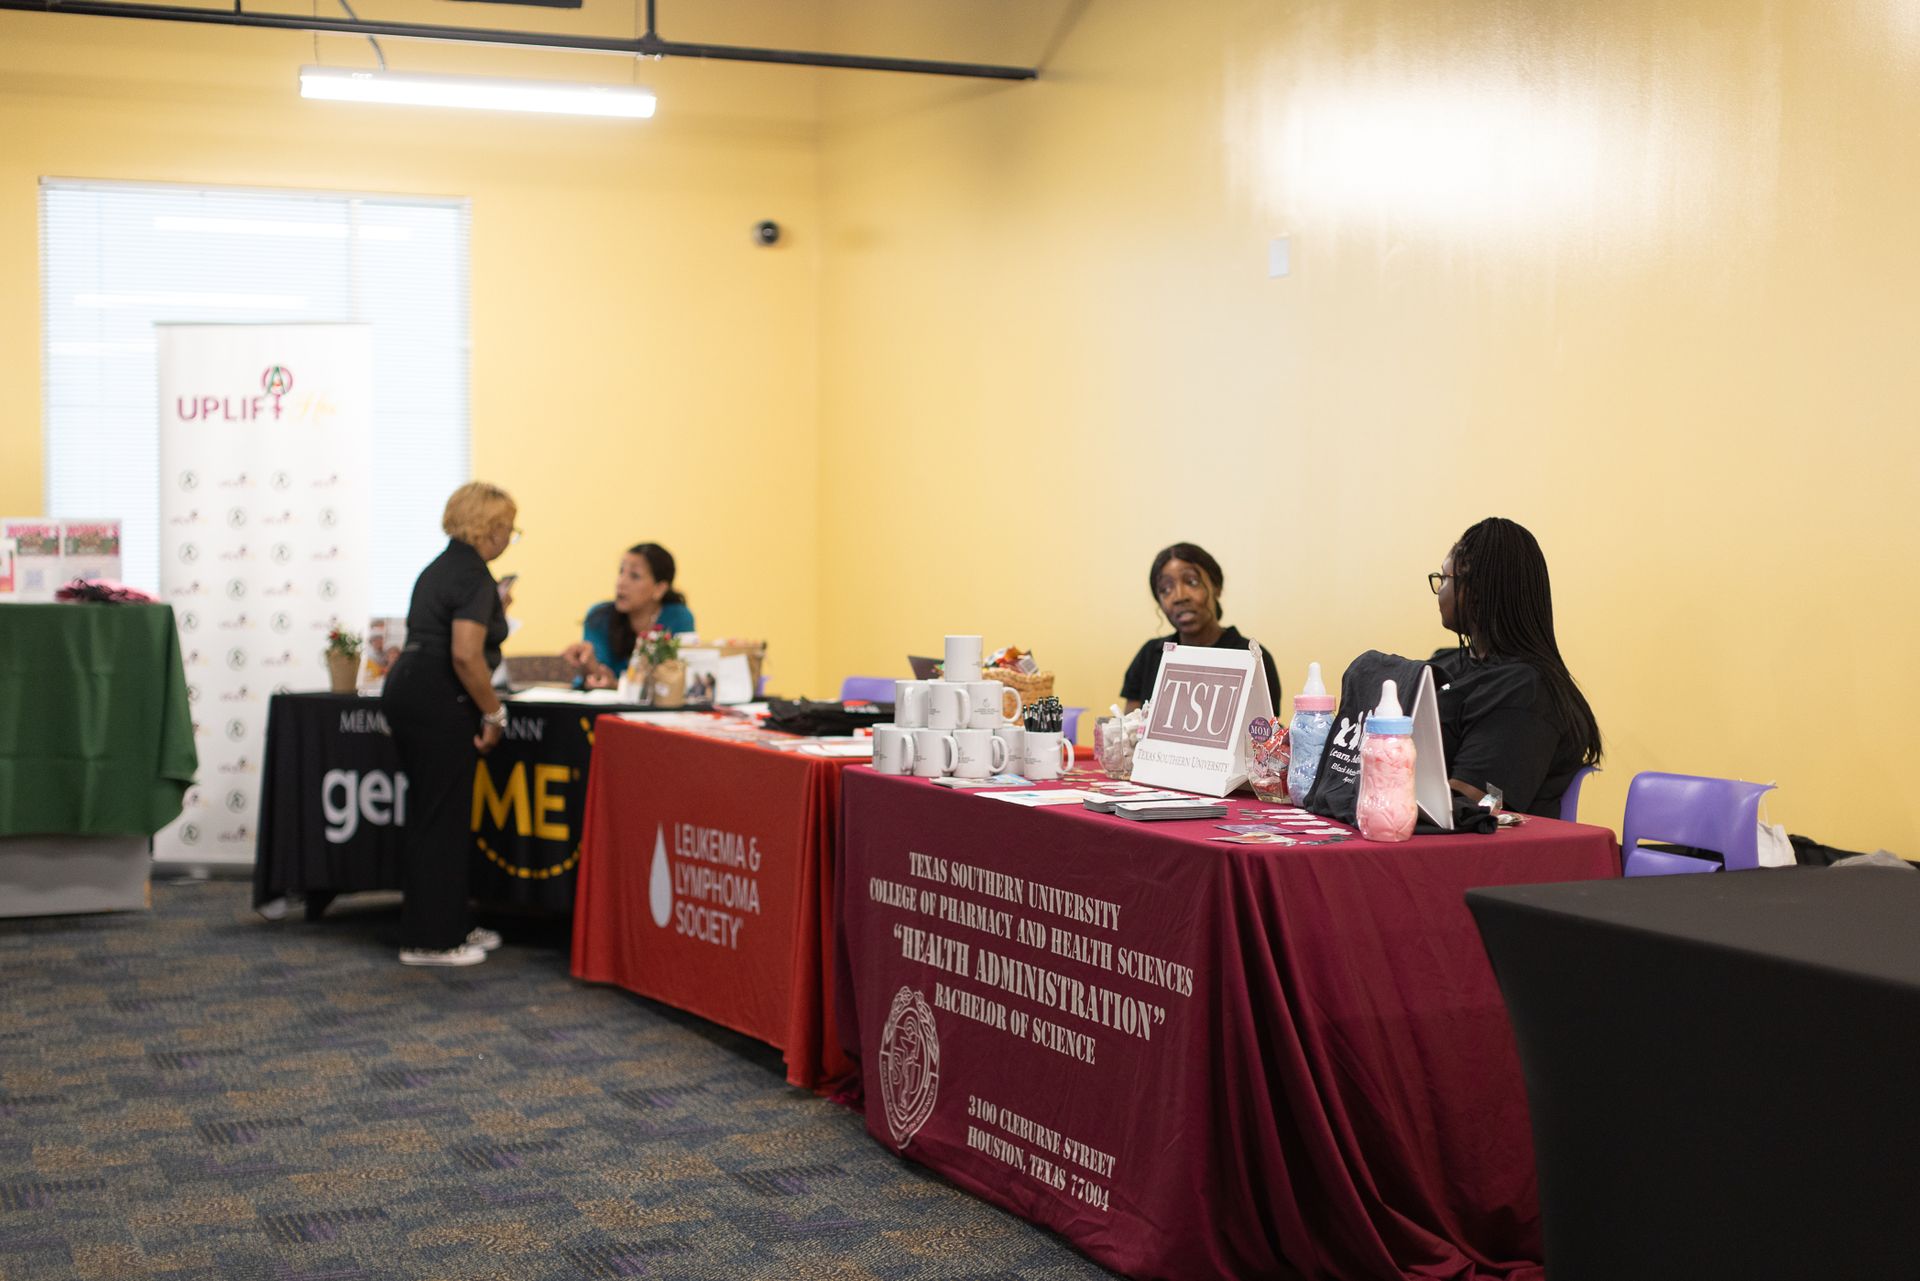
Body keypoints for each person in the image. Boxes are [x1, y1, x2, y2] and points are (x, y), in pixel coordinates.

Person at [382, 481, 516, 967]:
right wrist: (494, 711)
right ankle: (432, 940)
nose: (509, 537)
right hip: (439, 697)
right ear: (491, 527)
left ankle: (446, 922)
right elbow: (465, 654)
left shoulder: (441, 568)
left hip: (411, 690)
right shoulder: (474, 576)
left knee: (432, 813)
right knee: (442, 818)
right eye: (509, 528)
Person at [1429, 516, 1602, 817]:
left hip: (1490, 856)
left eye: (1444, 579)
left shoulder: (1525, 691)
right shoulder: (1447, 664)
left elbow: (1466, 808)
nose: (1439, 590)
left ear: (1476, 590)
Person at [1120, 542, 1280, 714]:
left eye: (1192, 582)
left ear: (1216, 587)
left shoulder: (1252, 657)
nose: (1179, 597)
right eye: (1165, 589)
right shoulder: (1150, 654)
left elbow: (1265, 733)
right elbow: (1131, 732)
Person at [563, 543, 695, 689]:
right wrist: (590, 666)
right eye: (621, 572)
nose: (621, 582)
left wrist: (617, 685)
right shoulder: (598, 617)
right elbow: (599, 677)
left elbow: (675, 680)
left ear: (659, 589)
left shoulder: (678, 617)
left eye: (634, 576)